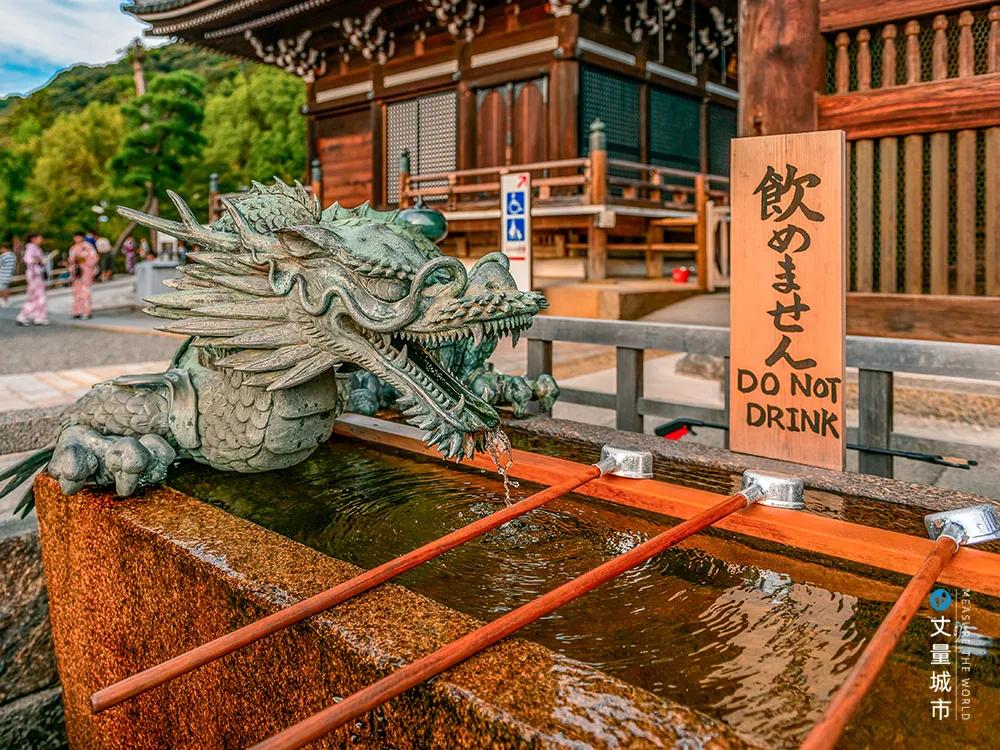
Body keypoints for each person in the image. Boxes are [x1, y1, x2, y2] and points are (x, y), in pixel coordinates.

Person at [16, 233, 48, 326]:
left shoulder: (36, 248)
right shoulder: (31, 248)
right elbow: (27, 259)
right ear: (33, 239)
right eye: (40, 238)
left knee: (36, 296)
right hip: (34, 275)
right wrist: (38, 261)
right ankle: (27, 316)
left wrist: (41, 262)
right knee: (39, 296)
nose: (41, 240)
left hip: (36, 274)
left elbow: (36, 261)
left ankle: (35, 317)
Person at [68, 232, 98, 319]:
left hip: (85, 270)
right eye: (76, 237)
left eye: (79, 237)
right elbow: (70, 260)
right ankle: (77, 311)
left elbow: (94, 257)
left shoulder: (87, 246)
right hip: (76, 271)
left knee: (85, 291)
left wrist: (84, 260)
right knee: (76, 291)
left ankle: (86, 312)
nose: (77, 238)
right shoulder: (73, 248)